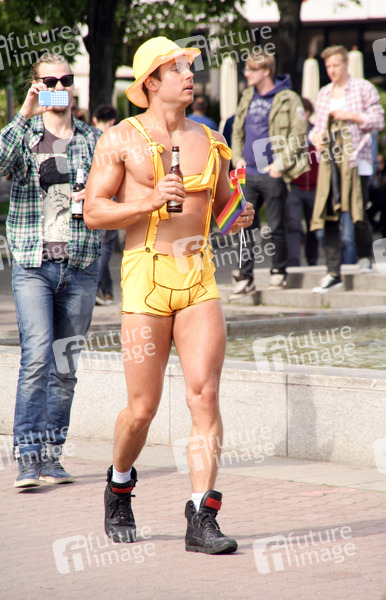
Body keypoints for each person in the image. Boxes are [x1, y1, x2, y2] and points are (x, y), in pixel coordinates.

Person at [84, 37, 254, 554]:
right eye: (176, 68)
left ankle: (202, 515)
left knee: (204, 395)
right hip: (145, 276)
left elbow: (223, 208)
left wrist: (238, 215)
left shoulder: (211, 140)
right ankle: (119, 485)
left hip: (198, 275)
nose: (188, 75)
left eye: (188, 67)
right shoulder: (120, 138)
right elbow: (93, 211)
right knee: (142, 408)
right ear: (151, 83)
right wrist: (151, 201)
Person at [0, 54, 101, 487]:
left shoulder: (93, 140)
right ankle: (27, 458)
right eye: (50, 80)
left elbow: (116, 192)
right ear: (36, 85)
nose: (60, 86)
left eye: (66, 79)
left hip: (80, 263)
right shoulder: (25, 135)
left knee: (65, 366)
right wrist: (25, 112)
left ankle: (51, 457)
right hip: (33, 264)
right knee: (37, 357)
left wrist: (92, 196)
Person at [230, 48, 309, 297]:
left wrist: (280, 165)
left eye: (251, 69)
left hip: (272, 173)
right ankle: (245, 277)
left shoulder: (288, 98)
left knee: (276, 226)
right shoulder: (247, 96)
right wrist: (236, 157)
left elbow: (299, 134)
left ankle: (278, 271)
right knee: (244, 225)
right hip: (247, 172)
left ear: (266, 71)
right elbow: (236, 130)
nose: (246, 73)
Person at [310, 45, 384, 293]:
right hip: (330, 163)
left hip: (356, 161)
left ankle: (364, 256)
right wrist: (315, 138)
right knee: (329, 213)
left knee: (357, 212)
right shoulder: (324, 93)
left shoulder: (363, 88)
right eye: (328, 66)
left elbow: (378, 119)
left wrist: (351, 116)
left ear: (346, 64)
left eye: (336, 65)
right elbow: (317, 127)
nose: (332, 70)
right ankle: (333, 271)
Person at [286, 97, 319, 267]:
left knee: (314, 227)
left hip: (315, 188)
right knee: (293, 227)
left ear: (308, 113)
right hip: (295, 187)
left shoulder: (317, 132)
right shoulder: (290, 134)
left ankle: (312, 261)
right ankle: (293, 263)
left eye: (303, 112)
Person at [91, 104, 119, 305]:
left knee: (100, 245)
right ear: (113, 122)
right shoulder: (114, 139)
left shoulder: (87, 137)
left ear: (95, 119)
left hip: (91, 198)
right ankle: (96, 287)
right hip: (110, 198)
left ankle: (107, 291)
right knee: (106, 246)